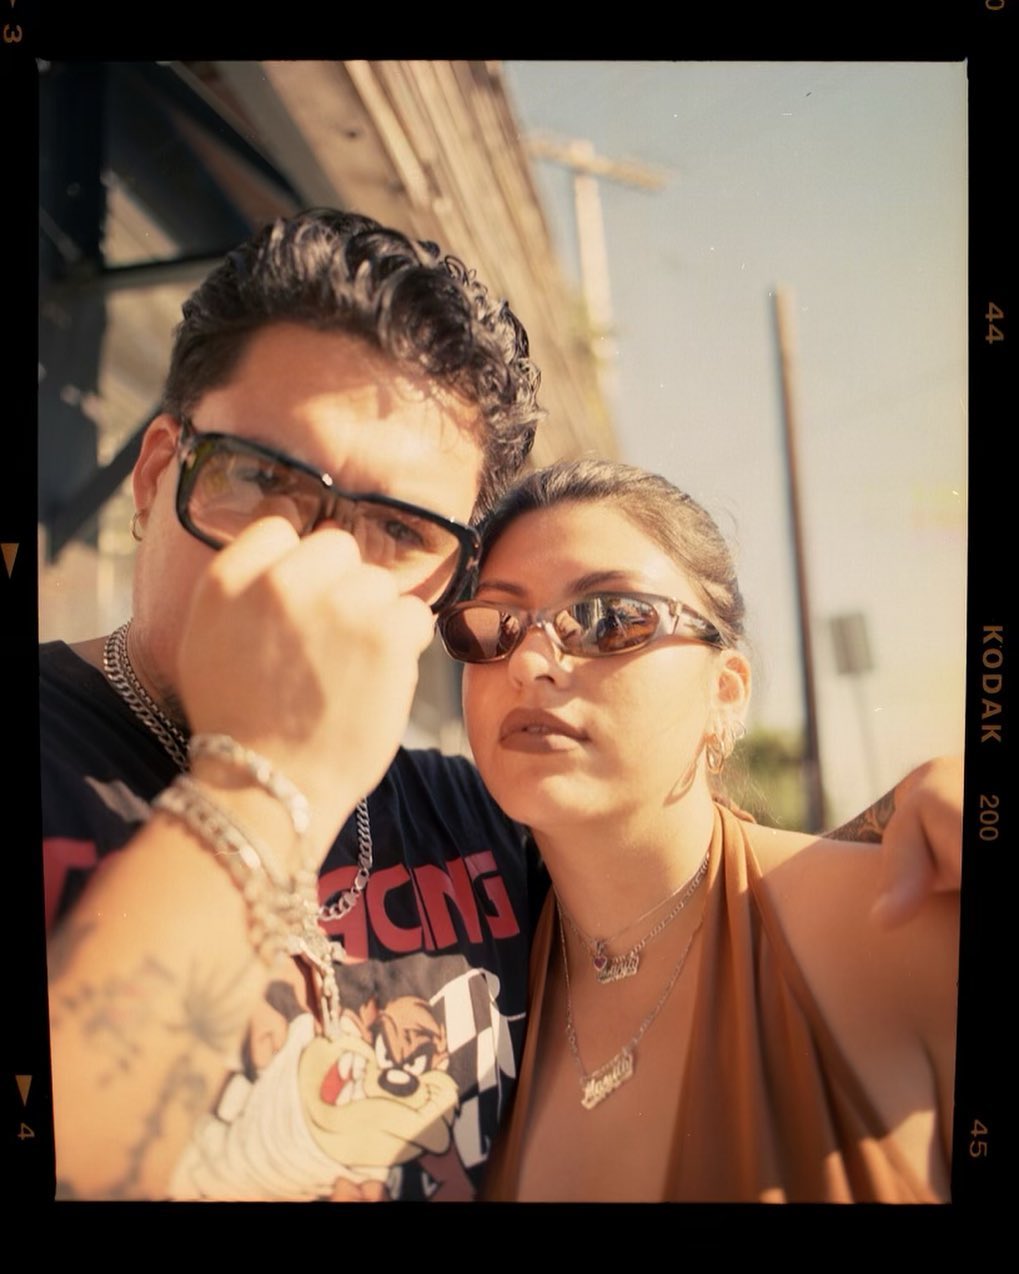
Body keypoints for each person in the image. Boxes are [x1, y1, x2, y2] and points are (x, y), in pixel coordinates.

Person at [43, 209, 960, 1203]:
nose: (317, 565)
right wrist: (263, 777)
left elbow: (687, 911)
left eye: (399, 530)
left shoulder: (478, 821)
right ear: (153, 474)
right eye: (264, 479)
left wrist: (908, 815)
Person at [436, 459, 959, 1202]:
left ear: (726, 693)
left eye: (608, 618)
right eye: (495, 626)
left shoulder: (891, 925)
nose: (529, 662)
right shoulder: (468, 989)